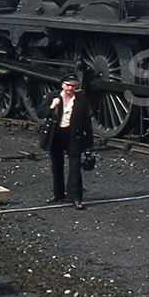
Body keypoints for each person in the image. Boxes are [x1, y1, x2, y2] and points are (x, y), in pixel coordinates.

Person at [38, 74, 94, 210]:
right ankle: (58, 194)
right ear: (62, 85)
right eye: (68, 85)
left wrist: (89, 144)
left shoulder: (82, 101)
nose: (70, 88)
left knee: (75, 166)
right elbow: (40, 113)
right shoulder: (52, 96)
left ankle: (76, 198)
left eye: (73, 86)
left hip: (73, 136)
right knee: (56, 165)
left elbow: (87, 123)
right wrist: (52, 107)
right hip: (56, 136)